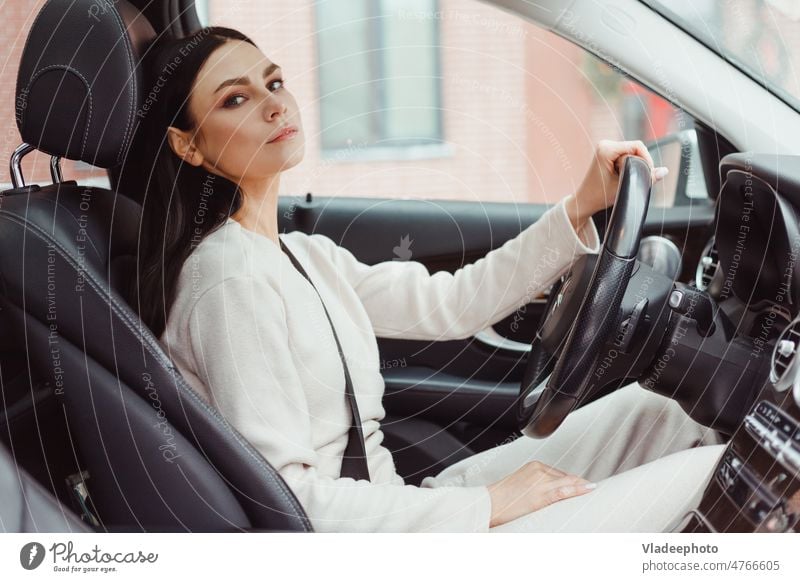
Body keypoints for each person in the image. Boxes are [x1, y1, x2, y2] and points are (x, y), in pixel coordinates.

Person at [131, 26, 726, 533]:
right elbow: (294, 504)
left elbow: (453, 302)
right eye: (235, 99)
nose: (273, 104)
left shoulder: (299, 254)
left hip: (410, 511)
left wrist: (577, 208)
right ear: (189, 146)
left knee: (671, 409)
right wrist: (490, 506)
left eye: (274, 81)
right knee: (722, 469)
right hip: (395, 545)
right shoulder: (226, 282)